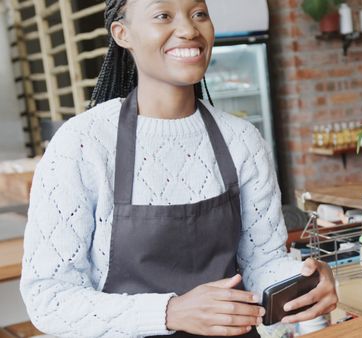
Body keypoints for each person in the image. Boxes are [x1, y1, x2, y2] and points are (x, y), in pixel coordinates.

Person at [19, 0, 337, 337]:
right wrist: (170, 311)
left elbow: (262, 263)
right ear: (122, 33)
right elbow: (48, 298)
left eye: (199, 14)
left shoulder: (242, 140)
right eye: (163, 16)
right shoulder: (82, 145)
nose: (188, 30)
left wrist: (304, 281)